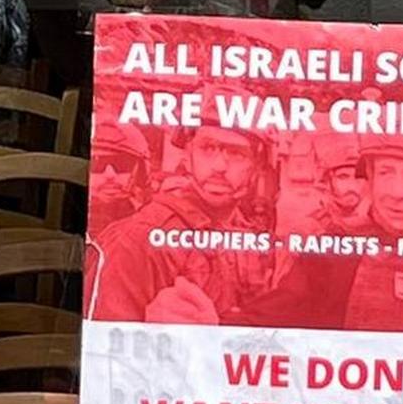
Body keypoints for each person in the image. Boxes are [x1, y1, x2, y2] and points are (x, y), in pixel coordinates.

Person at [235, 133, 403, 331]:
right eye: (385, 173)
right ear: (370, 181)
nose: (397, 192)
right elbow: (264, 322)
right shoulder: (326, 257)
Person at [88, 125, 271, 323]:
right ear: (187, 156)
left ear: (256, 167)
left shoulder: (250, 236)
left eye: (236, 153)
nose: (219, 166)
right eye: (208, 148)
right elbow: (104, 345)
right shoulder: (137, 239)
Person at [90, 123, 151, 229]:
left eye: (121, 163)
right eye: (98, 164)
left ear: (140, 171)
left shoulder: (147, 222)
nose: (110, 175)